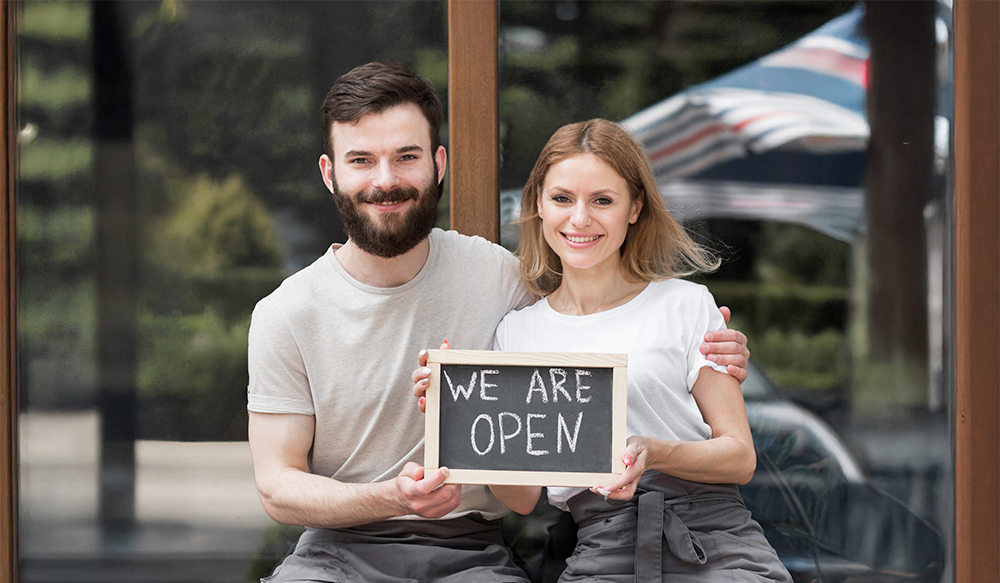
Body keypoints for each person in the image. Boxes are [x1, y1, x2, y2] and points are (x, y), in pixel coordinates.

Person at [247, 62, 751, 583]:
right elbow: (277, 486)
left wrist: (707, 341)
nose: (386, 180)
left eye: (406, 157)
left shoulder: (503, 279)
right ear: (330, 173)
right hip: (336, 554)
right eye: (361, 160)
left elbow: (598, 309)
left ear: (438, 164)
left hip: (472, 554)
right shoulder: (286, 314)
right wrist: (390, 496)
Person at [416, 119, 791, 582]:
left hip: (715, 538)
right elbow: (522, 499)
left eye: (602, 201)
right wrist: (456, 411)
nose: (579, 219)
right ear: (538, 204)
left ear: (634, 208)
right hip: (601, 544)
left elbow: (739, 456)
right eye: (562, 199)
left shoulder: (686, 304)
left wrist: (653, 451)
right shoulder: (517, 334)